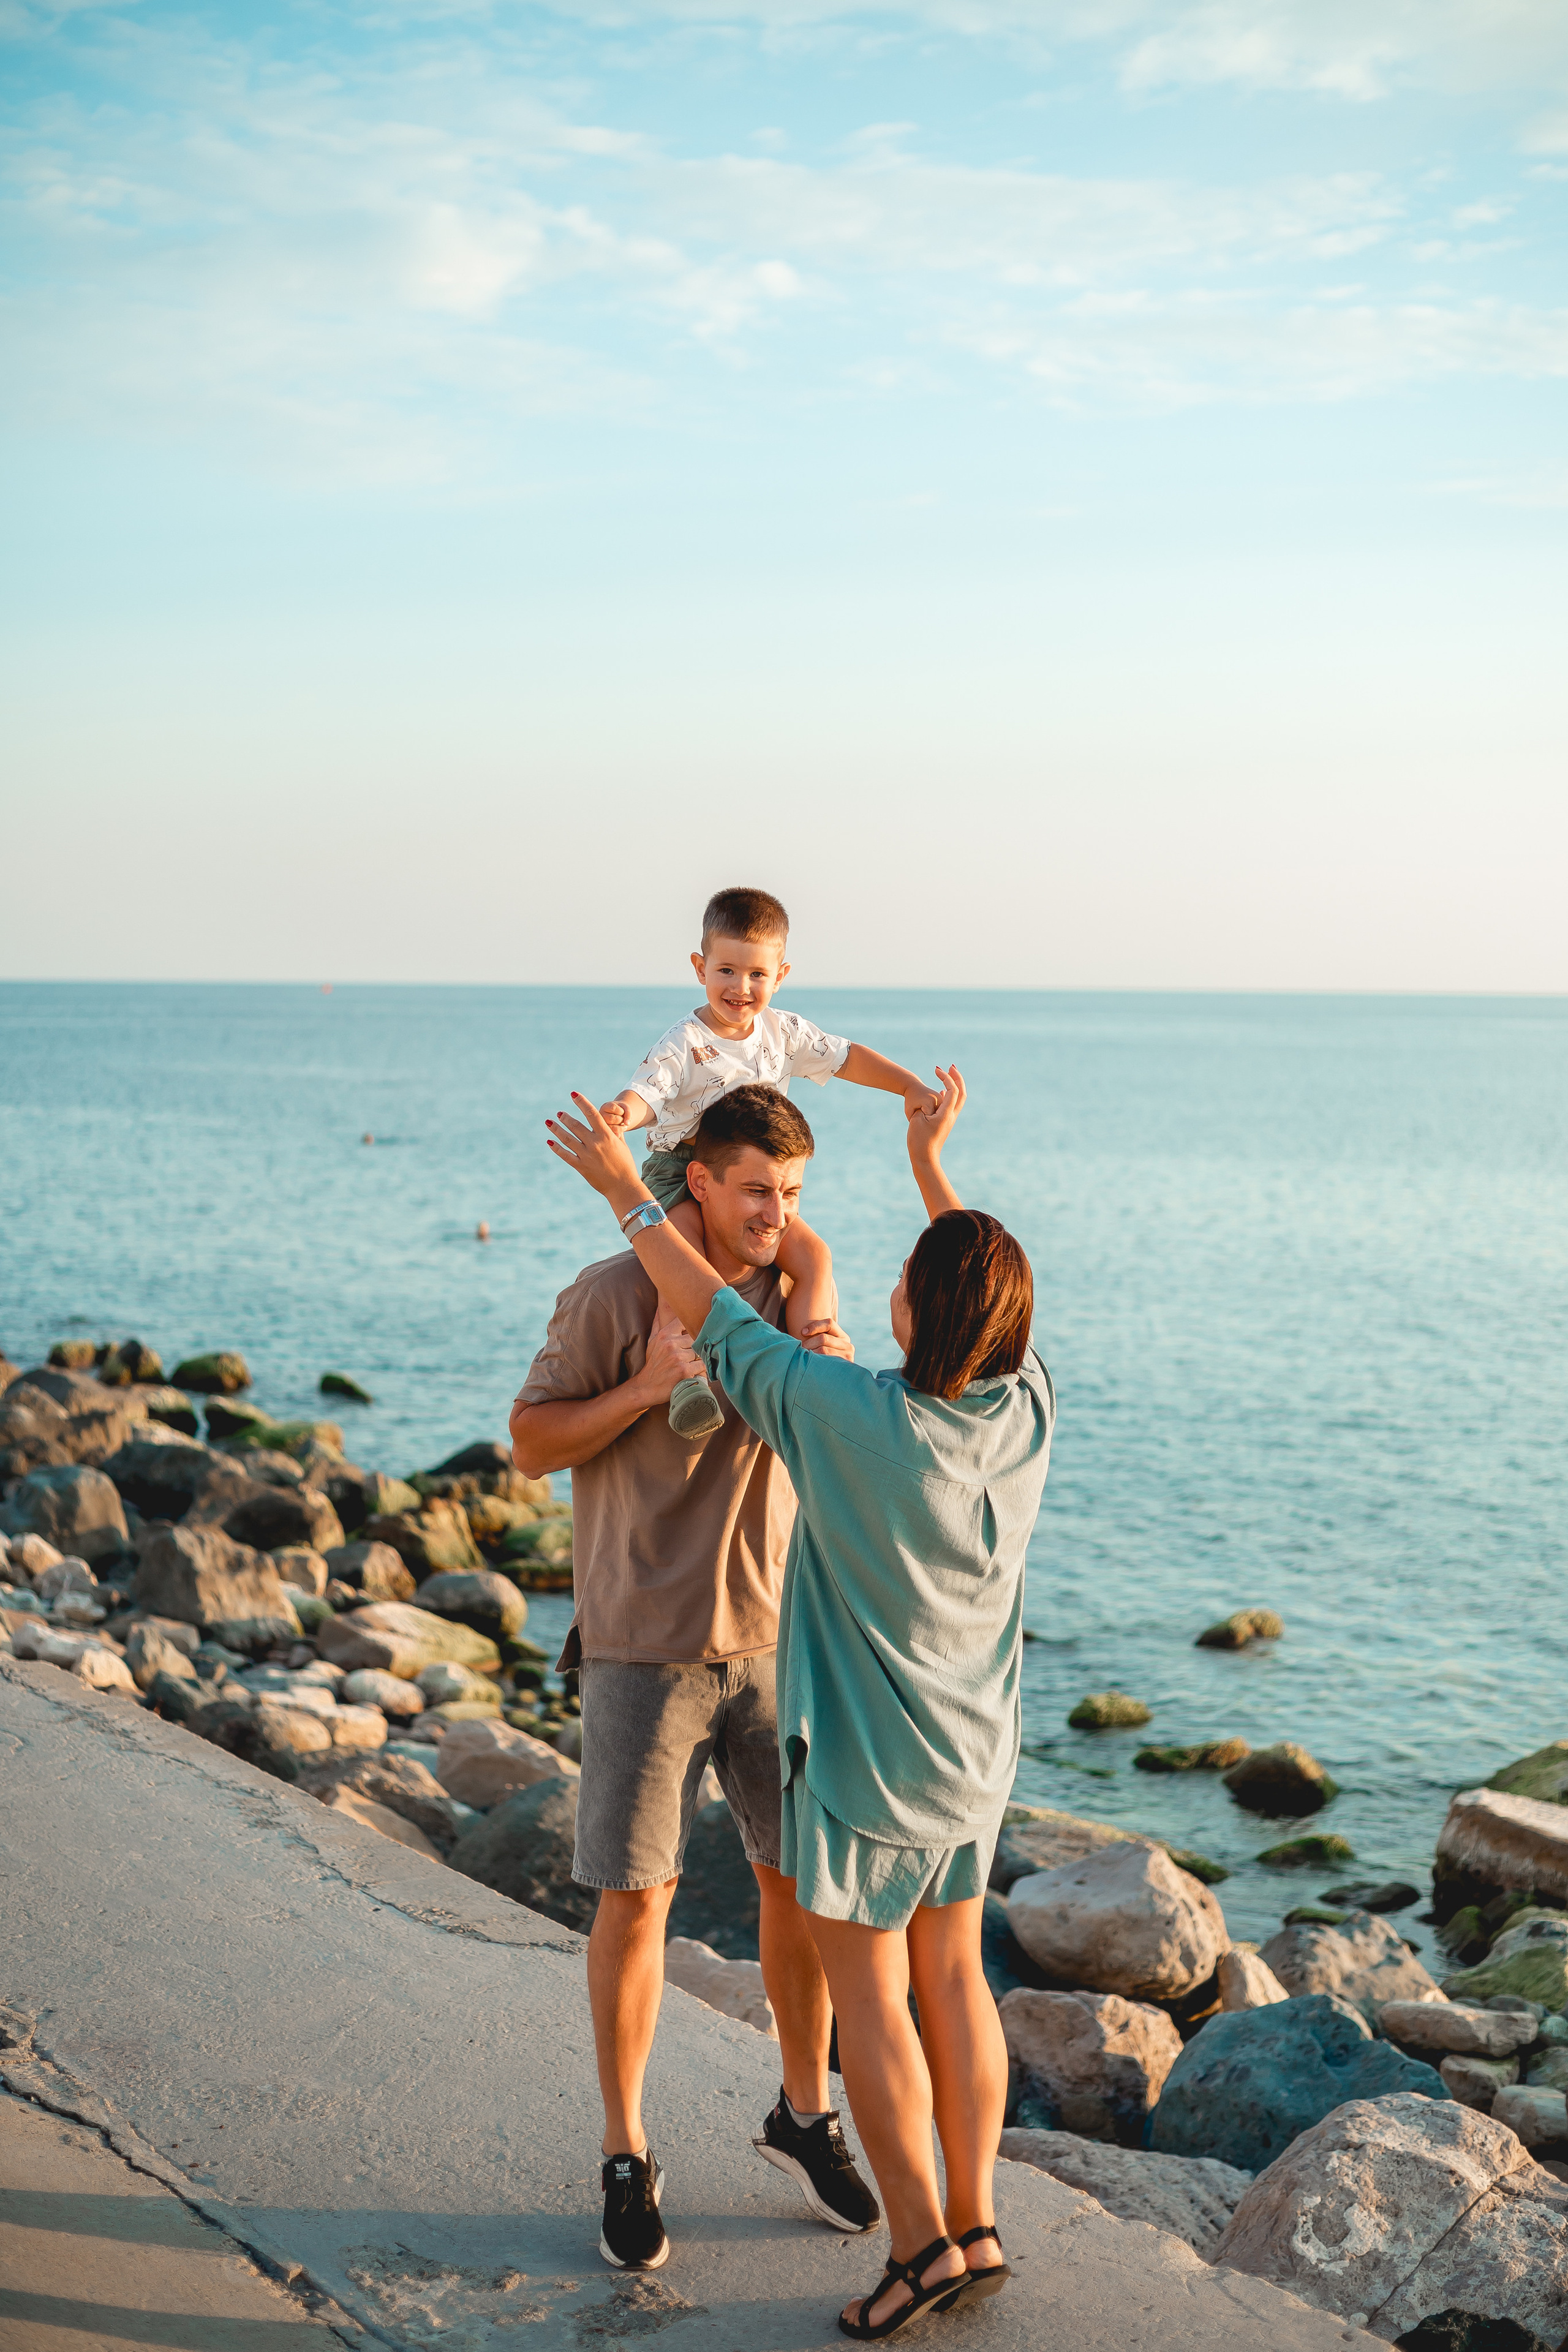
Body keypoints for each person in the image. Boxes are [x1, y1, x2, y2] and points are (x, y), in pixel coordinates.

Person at [545, 1068, 1054, 2341]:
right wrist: (935, 1165)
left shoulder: (845, 1416)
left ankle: (916, 2247)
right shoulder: (1020, 1408)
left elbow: (719, 1323)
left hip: (864, 1773)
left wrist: (624, 1186)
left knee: (874, 2011)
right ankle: (976, 2221)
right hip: (971, 1768)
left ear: (915, 1311)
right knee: (956, 1991)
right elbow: (984, 1291)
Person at [509, 1082, 881, 2275]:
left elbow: (833, 1419)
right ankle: (625, 2149)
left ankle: (800, 2112)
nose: (776, 1211)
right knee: (638, 1899)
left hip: (779, 1647)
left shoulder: (789, 1302)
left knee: (799, 1889)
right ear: (701, 1186)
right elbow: (526, 1441)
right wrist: (634, 1387)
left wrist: (806, 1265)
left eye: (794, 1195)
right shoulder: (612, 1294)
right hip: (638, 1650)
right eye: (757, 1190)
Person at [599, 884, 941, 1439]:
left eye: (757, 975)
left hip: (753, 1177)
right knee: (679, 1258)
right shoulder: (684, 1042)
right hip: (682, 1172)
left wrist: (907, 1086)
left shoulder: (783, 1033)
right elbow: (650, 1092)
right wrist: (623, 1113)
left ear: (780, 975)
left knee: (814, 1255)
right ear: (700, 968)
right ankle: (683, 1375)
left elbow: (848, 1058)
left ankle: (818, 1355)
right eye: (726, 971)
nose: (741, 988)